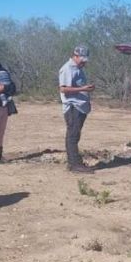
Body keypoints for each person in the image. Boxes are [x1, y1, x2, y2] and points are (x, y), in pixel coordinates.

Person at [58, 45, 95, 173]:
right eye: (82, 59)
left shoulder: (78, 68)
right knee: (72, 135)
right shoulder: (67, 69)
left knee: (75, 135)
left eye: (85, 59)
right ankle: (74, 164)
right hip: (73, 107)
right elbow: (63, 89)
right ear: (76, 56)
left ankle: (74, 162)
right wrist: (83, 89)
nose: (84, 62)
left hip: (80, 107)